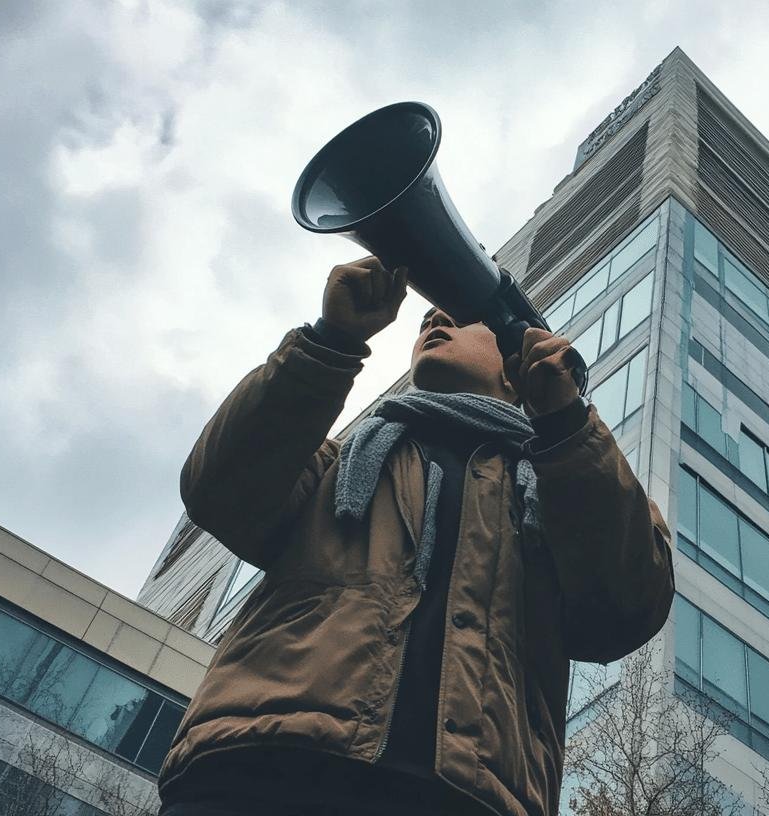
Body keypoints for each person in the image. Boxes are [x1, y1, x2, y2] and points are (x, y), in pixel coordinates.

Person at [157, 257, 674, 816]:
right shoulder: (335, 463)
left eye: (457, 316)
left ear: (514, 366)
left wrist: (568, 426)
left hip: (465, 799)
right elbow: (218, 489)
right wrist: (331, 340)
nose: (434, 321)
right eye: (427, 316)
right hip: (258, 770)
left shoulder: (564, 485)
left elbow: (628, 605)